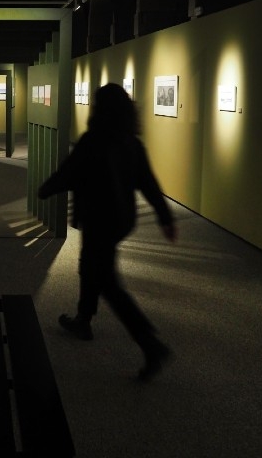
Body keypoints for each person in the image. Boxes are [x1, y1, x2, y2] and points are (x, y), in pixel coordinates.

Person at [38, 83, 178, 381]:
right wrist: (165, 217)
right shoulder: (132, 143)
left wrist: (46, 189)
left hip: (98, 219)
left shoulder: (93, 140)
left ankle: (150, 343)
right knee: (90, 267)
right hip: (120, 220)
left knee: (108, 283)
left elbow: (69, 172)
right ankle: (83, 319)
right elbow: (149, 183)